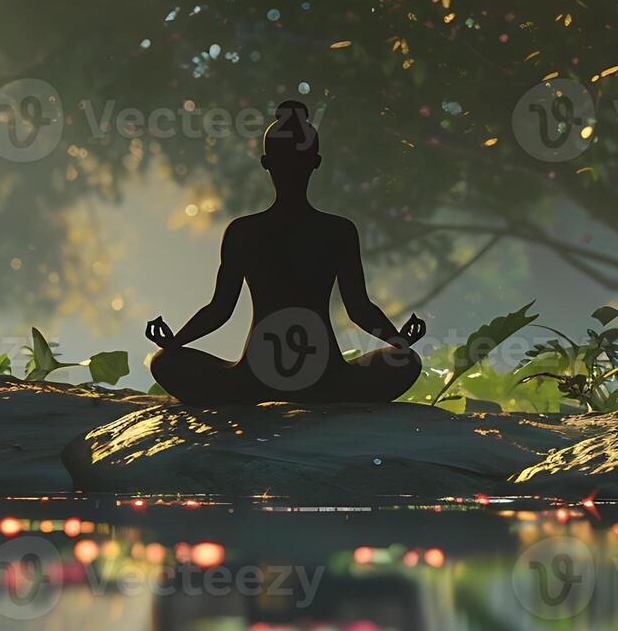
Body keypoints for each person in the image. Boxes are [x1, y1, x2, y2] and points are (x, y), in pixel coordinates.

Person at [145, 100, 425, 404]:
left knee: (165, 362)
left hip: (254, 379)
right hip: (326, 377)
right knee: (406, 361)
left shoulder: (243, 231)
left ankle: (249, 394)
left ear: (267, 163)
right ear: (315, 162)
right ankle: (323, 395)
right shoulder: (338, 231)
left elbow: (220, 310)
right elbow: (358, 309)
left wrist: (175, 342)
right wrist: (399, 341)